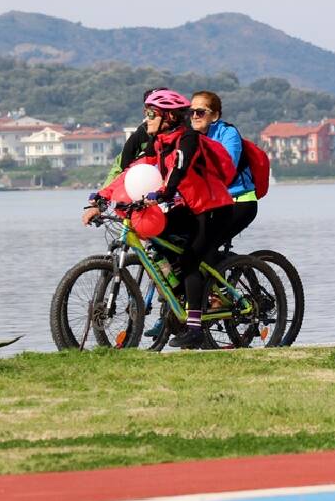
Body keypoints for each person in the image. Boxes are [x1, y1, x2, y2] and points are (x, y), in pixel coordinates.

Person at [82, 89, 234, 349]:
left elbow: (179, 170)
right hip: (189, 208)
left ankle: (195, 327)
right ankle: (182, 299)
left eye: (151, 114)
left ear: (170, 117)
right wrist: (100, 198)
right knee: (158, 243)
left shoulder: (188, 139)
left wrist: (163, 192)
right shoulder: (159, 142)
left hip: (212, 208)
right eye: (146, 113)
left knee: (189, 260)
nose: (147, 119)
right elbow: (131, 172)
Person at [188, 91, 258, 243]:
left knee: (206, 247)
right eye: (191, 112)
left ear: (214, 116)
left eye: (200, 112)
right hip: (209, 203)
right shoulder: (188, 136)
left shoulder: (228, 133)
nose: (194, 116)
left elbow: (227, 169)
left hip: (239, 200)